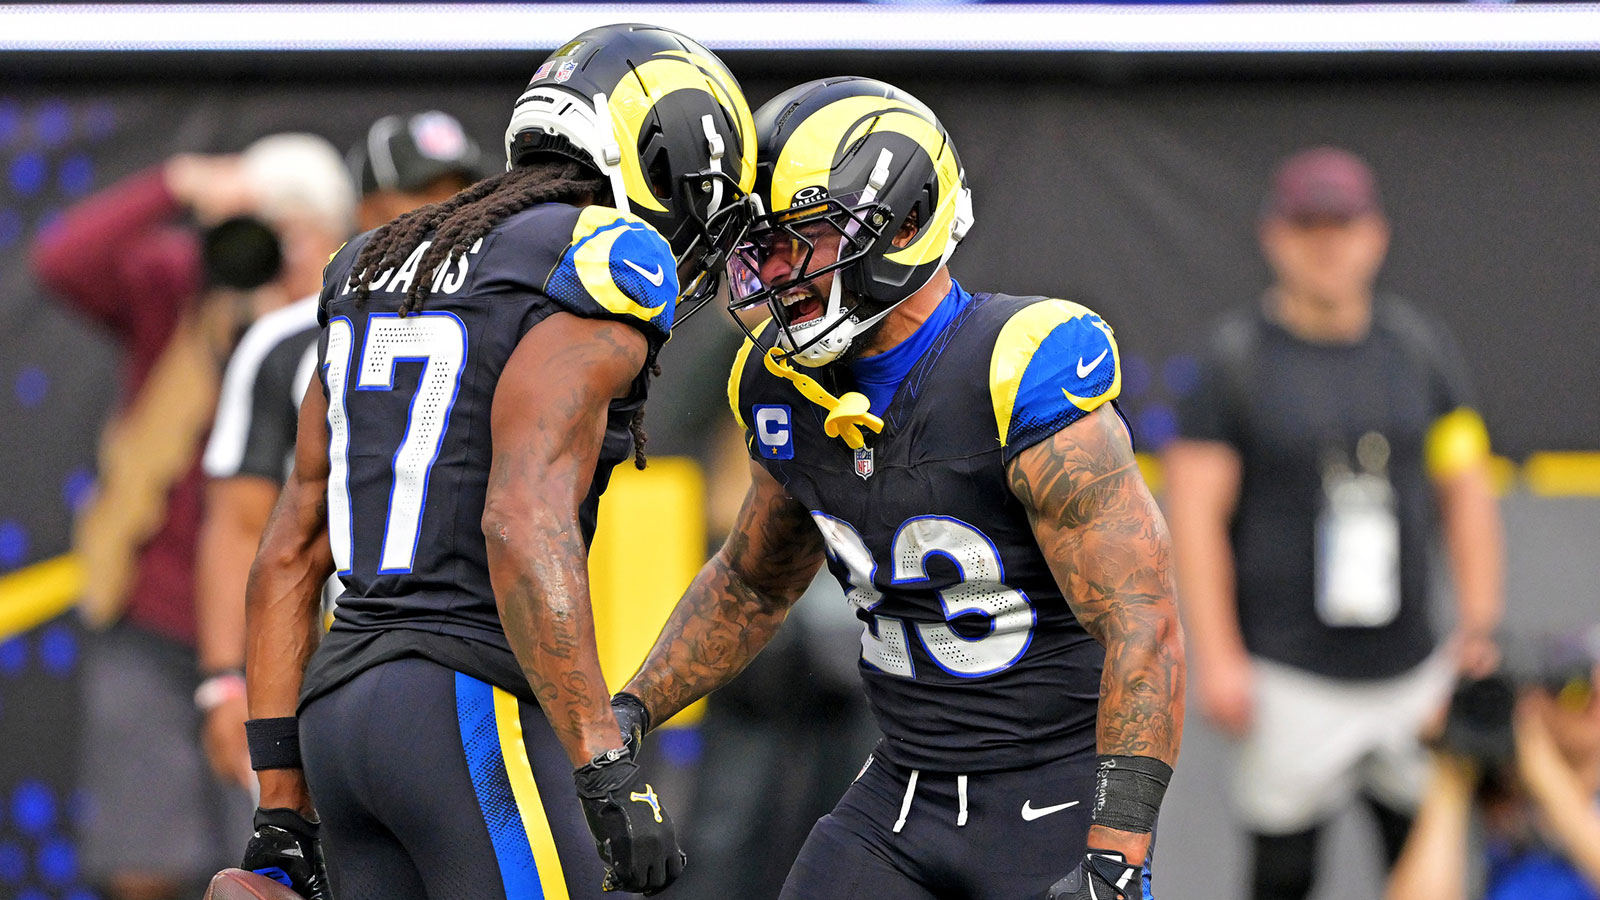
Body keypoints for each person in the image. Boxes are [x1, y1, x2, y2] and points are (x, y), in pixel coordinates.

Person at [615, 76, 1187, 900]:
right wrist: (631, 712)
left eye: (797, 240)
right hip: (899, 795)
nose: (771, 273)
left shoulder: (1015, 368)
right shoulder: (782, 386)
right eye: (758, 247)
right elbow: (750, 583)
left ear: (907, 221)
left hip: (1054, 802)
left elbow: (1144, 623)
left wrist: (1118, 851)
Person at [236, 24, 757, 900]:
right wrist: (605, 765)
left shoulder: (371, 261)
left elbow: (290, 548)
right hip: (463, 708)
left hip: (339, 711)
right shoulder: (598, 258)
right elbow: (522, 517)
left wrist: (280, 800)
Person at [1162, 146, 1505, 900]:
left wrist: (1478, 630)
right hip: (1288, 673)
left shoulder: (1420, 350)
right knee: (1282, 872)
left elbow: (1467, 492)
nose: (1327, 245)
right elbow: (1194, 515)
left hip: (1411, 670)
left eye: (1342, 226)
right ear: (1274, 237)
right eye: (1308, 226)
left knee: (1423, 862)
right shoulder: (1233, 361)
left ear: (1376, 235)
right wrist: (1217, 655)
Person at [30, 133, 353, 900]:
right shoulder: (180, 293)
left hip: (296, 639)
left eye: (301, 232)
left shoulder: (353, 332)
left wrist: (314, 292)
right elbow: (61, 263)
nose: (279, 251)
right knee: (146, 862)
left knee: (277, 865)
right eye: (268, 231)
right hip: (155, 627)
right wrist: (180, 185)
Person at [194, 110, 489, 791]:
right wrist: (225, 683)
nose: (445, 212)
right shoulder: (292, 338)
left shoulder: (512, 319)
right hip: (337, 656)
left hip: (473, 659)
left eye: (460, 190)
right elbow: (245, 526)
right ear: (366, 209)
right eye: (423, 192)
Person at [1388, 630, 1600, 900]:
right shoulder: (1488, 802)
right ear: (1530, 700)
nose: (1596, 705)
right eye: (1576, 690)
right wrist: (1453, 765)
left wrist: (1540, 765)